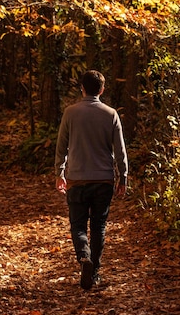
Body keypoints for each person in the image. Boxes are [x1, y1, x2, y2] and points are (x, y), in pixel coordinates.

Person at [54, 70, 128, 290]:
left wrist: (59, 173)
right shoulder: (111, 114)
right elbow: (120, 150)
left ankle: (83, 257)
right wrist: (122, 177)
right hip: (103, 180)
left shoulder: (70, 113)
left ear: (82, 88)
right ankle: (94, 271)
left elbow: (61, 146)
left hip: (76, 179)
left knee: (77, 225)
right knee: (99, 226)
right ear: (102, 90)